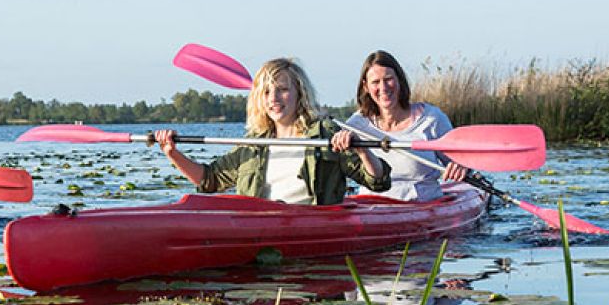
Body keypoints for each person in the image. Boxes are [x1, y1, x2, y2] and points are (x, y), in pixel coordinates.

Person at [153, 58, 390, 205]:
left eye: (282, 90)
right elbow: (209, 179)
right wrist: (171, 153)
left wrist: (361, 151)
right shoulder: (254, 144)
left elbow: (378, 181)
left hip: (310, 225)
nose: (274, 99)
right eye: (266, 92)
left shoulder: (325, 133)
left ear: (300, 94)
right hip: (261, 226)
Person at [340, 50, 470, 202]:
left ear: (400, 80)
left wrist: (461, 167)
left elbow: (461, 164)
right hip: (369, 207)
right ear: (366, 87)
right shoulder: (356, 125)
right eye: (375, 82)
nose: (383, 88)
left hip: (422, 207)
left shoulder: (432, 119)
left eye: (388, 79)